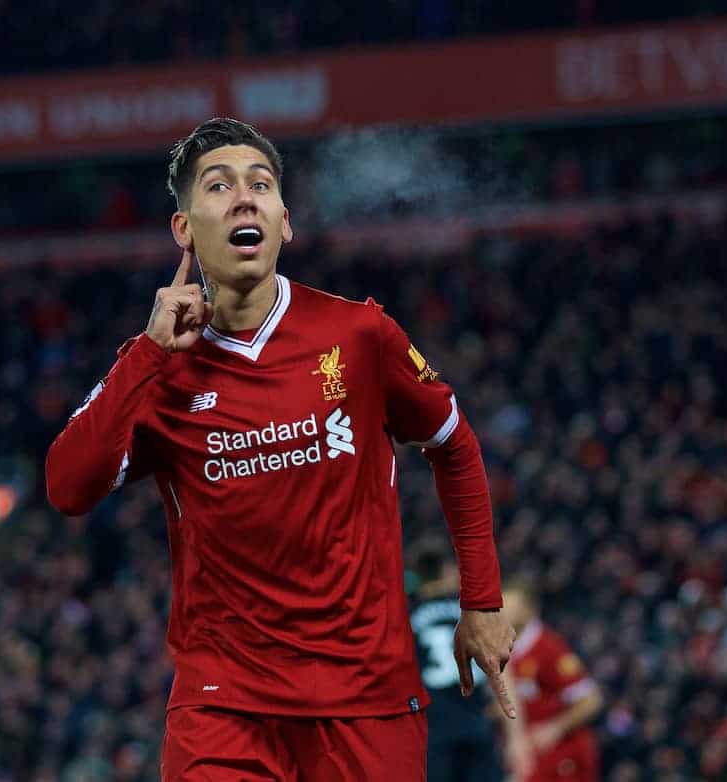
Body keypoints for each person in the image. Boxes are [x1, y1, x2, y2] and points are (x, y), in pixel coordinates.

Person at [46, 117, 516, 781]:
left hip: (367, 701)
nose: (244, 198)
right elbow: (67, 487)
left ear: (284, 222)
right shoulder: (158, 368)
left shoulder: (358, 334)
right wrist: (146, 354)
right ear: (184, 229)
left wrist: (483, 602)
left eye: (260, 185)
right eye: (219, 186)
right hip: (226, 707)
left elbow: (455, 445)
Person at [410, 540, 525, 782]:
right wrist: (516, 736)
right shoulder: (473, 611)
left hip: (432, 734)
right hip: (476, 728)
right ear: (448, 570)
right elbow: (503, 671)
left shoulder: (406, 614)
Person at [503, 581, 603, 782]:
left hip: (563, 755)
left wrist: (555, 728)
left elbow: (591, 701)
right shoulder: (504, 649)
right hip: (530, 756)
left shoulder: (549, 649)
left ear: (528, 610)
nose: (499, 612)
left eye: (507, 606)